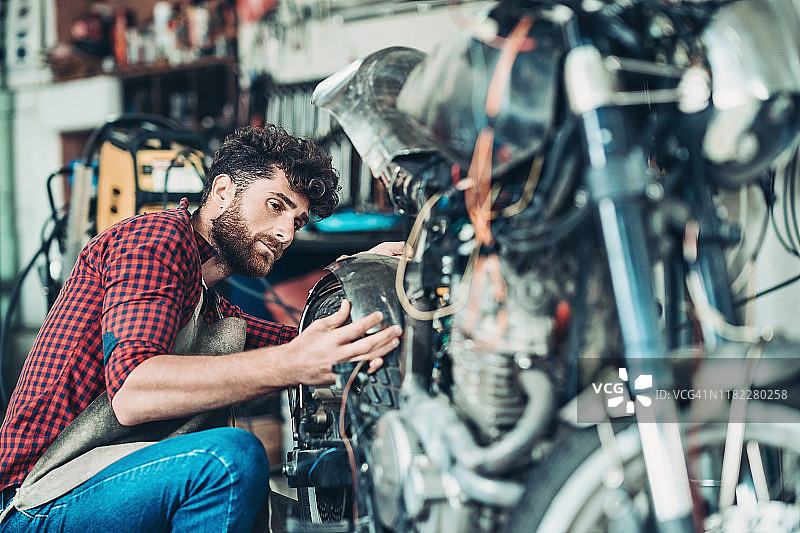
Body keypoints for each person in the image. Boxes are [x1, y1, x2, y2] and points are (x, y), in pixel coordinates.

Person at [0, 124, 405, 532]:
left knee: (281, 516)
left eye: (297, 222)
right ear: (224, 192)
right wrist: (293, 364)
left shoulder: (206, 303)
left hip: (92, 487)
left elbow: (304, 340)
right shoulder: (154, 240)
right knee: (228, 462)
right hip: (34, 500)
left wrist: (352, 272)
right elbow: (133, 391)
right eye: (275, 206)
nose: (285, 234)